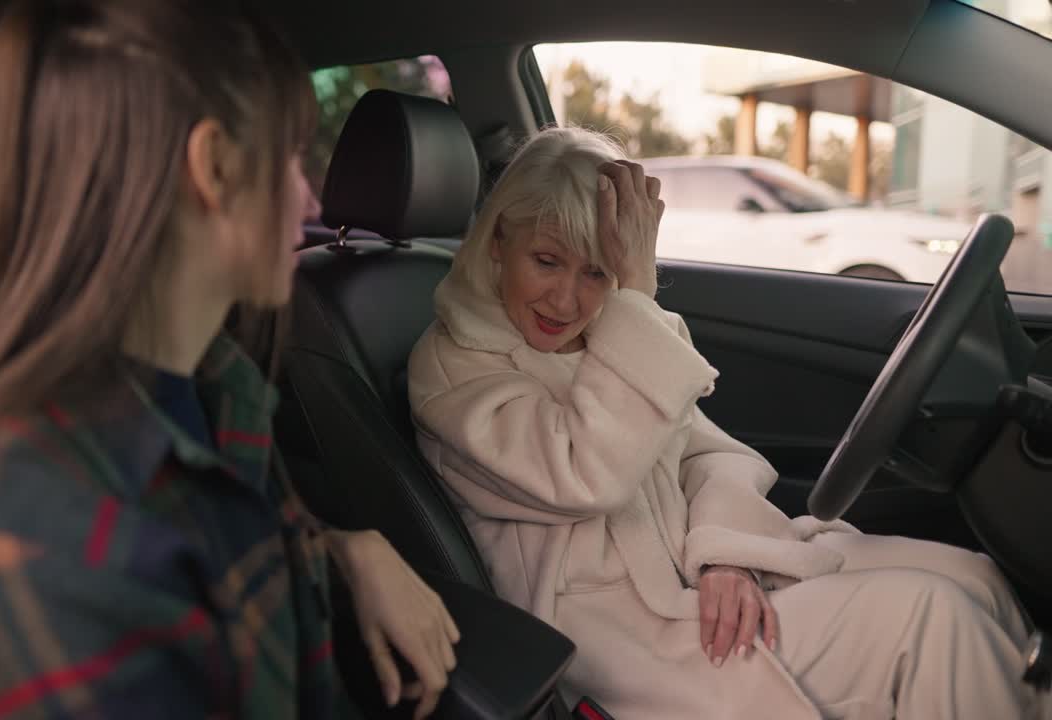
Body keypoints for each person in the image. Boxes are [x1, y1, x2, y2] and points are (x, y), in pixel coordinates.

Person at [0, 1, 460, 718]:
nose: (306, 196)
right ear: (213, 167)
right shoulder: (36, 535)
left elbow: (214, 558)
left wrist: (340, 554)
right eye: (290, 156)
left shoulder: (210, 391)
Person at [407, 126, 1048, 720]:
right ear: (499, 240)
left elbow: (709, 455)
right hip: (624, 632)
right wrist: (634, 297)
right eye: (546, 261)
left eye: (598, 272)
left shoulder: (610, 333)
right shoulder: (454, 364)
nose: (568, 298)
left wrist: (726, 557)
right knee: (931, 622)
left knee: (976, 578)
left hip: (704, 575)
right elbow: (584, 473)